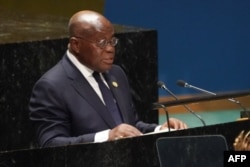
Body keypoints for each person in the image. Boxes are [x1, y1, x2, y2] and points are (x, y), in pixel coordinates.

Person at [29, 10, 187, 147]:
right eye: (102, 43)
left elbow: (130, 125)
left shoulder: (116, 73)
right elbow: (51, 144)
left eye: (112, 41)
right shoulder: (52, 86)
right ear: (76, 45)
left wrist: (159, 129)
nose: (111, 49)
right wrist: (107, 137)